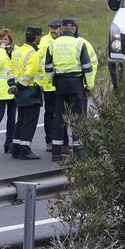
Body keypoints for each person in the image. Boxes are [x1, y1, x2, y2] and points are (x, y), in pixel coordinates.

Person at [44, 19, 93, 162]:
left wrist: (52, 81)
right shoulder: (79, 44)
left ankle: (56, 153)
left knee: (59, 117)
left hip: (60, 83)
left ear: (61, 29)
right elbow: (87, 68)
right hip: (75, 83)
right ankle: (79, 152)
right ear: (74, 29)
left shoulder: (53, 44)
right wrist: (89, 86)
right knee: (77, 117)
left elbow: (48, 68)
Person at [9, 27, 44, 160]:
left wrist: (14, 85)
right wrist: (20, 87)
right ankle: (25, 149)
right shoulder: (33, 53)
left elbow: (10, 70)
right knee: (30, 121)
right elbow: (30, 73)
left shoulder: (17, 51)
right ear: (36, 37)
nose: (40, 38)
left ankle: (16, 148)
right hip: (30, 91)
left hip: (19, 91)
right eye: (40, 36)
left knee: (21, 120)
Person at [37, 19, 63, 155]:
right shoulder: (44, 41)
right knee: (50, 113)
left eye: (56, 28)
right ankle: (49, 140)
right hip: (48, 84)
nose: (53, 30)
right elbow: (39, 60)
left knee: (62, 113)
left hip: (61, 83)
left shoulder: (64, 41)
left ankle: (62, 142)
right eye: (52, 28)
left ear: (61, 28)